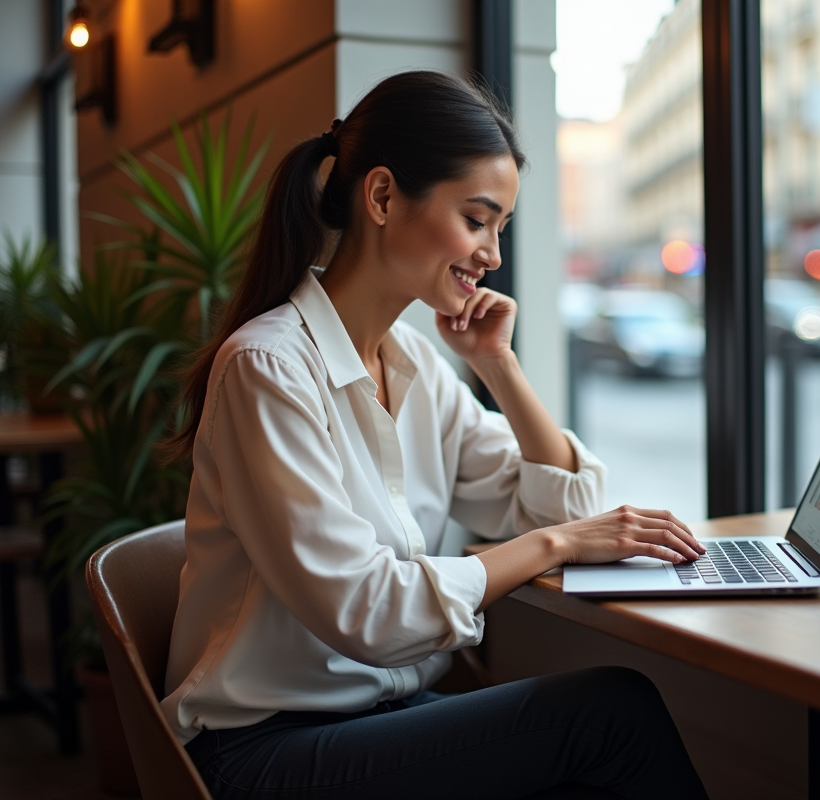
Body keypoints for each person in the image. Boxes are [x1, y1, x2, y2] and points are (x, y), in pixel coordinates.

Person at [159, 71, 709, 800]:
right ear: (382, 197)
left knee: (591, 750)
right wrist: (560, 547)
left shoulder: (412, 360)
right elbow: (368, 610)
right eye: (477, 220)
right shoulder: (268, 368)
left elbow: (561, 508)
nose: (493, 255)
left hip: (377, 719)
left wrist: (499, 368)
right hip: (259, 751)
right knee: (610, 716)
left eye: (501, 229)